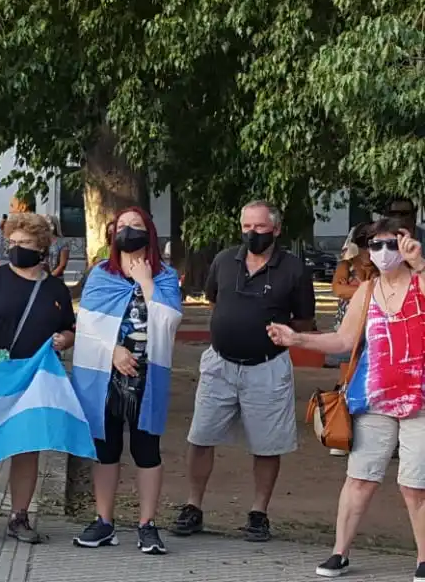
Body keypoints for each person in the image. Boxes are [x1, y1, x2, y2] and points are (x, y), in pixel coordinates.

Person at [267, 219, 425, 580]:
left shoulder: (420, 282)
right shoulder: (367, 291)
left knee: (415, 485)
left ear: (408, 245)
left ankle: (423, 559)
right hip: (373, 399)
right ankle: (340, 552)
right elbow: (342, 340)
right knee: (359, 478)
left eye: (391, 244)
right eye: (376, 245)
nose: (383, 253)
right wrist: (298, 340)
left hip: (419, 401)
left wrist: (420, 266)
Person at [174, 200, 316, 542]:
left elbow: (305, 321)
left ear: (276, 230)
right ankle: (193, 506)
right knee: (200, 437)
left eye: (260, 228)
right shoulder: (225, 260)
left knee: (267, 445)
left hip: (267, 368)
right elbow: (213, 300)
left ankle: (258, 512)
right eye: (246, 227)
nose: (252, 234)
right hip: (220, 364)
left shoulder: (294, 269)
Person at [0, 212, 75, 544]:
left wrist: (66, 339)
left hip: (36, 378)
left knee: (26, 447)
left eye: (25, 242)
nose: (17, 247)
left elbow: (69, 327)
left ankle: (19, 517)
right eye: (13, 241)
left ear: (42, 247)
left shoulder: (55, 288)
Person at [72, 208, 181, 555]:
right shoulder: (101, 275)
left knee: (146, 449)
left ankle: (147, 524)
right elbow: (87, 326)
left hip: (148, 377)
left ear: (148, 232)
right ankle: (104, 521)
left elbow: (169, 322)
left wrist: (147, 282)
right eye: (122, 226)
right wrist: (114, 350)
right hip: (105, 375)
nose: (128, 231)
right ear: (112, 233)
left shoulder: (165, 277)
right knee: (106, 448)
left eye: (136, 226)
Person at [330, 223, 376, 372]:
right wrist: (372, 290)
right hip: (348, 328)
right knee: (346, 378)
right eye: (362, 243)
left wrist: (353, 289)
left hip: (374, 329)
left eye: (372, 243)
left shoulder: (383, 265)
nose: (367, 250)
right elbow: (338, 289)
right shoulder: (347, 263)